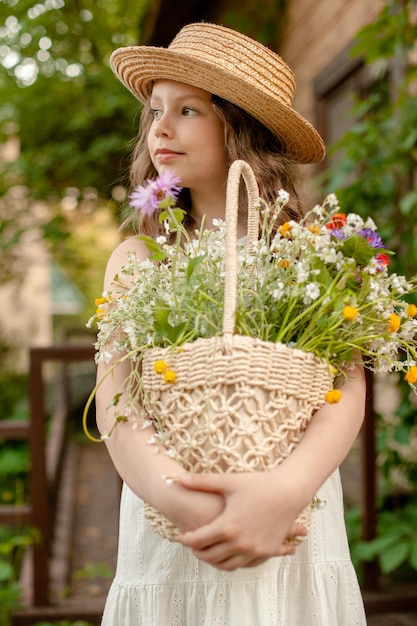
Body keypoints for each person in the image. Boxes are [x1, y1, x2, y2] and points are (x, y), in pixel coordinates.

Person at [97, 22, 367, 625]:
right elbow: (117, 399)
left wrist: (285, 491)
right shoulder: (140, 260)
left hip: (288, 519)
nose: (160, 127)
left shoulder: (304, 253)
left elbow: (345, 388)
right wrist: (179, 501)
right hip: (173, 528)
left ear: (239, 127)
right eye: (154, 110)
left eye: (187, 109)